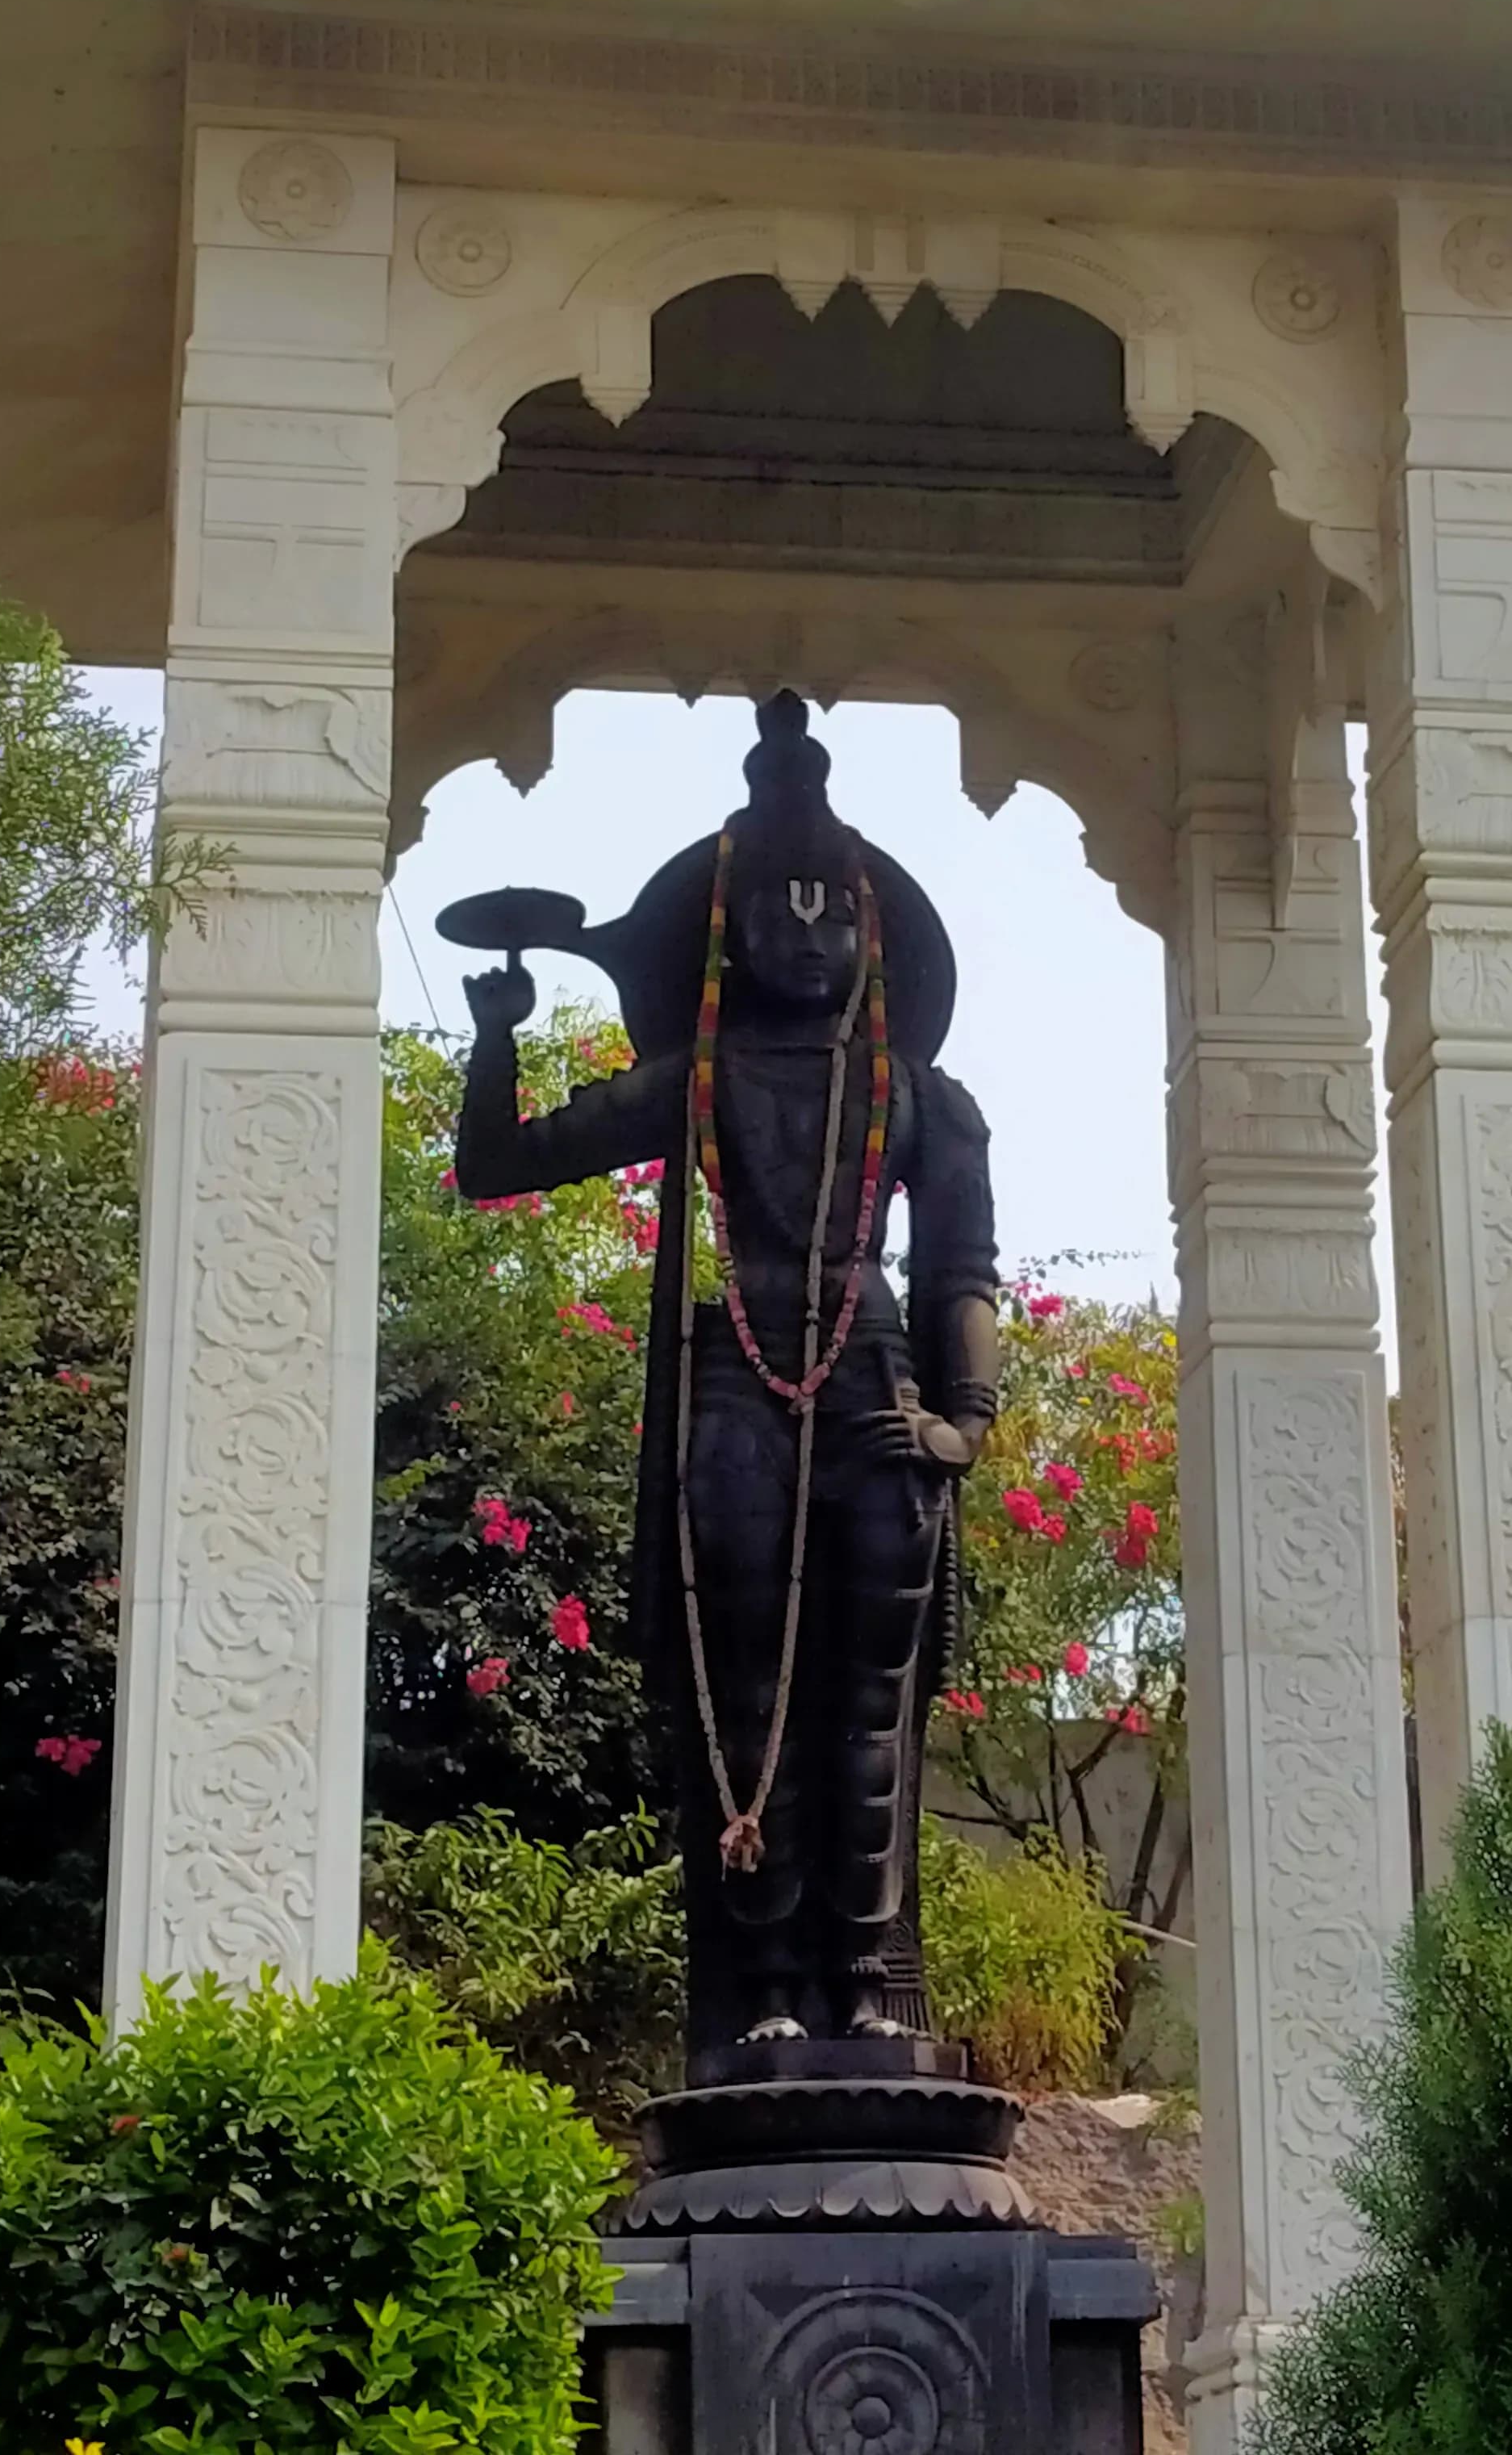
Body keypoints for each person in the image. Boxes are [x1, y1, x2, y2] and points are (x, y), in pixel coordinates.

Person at [452, 692, 1000, 2051]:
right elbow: (500, 1164)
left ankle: (865, 1984)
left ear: (875, 931)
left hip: (877, 1387)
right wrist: (500, 1033)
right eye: (780, 906)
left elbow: (959, 1278)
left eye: (832, 909)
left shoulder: (923, 1100)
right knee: (742, 1688)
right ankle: (758, 1992)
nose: (807, 931)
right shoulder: (695, 1079)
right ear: (727, 930)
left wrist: (965, 1423)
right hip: (734, 1386)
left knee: (869, 1697)